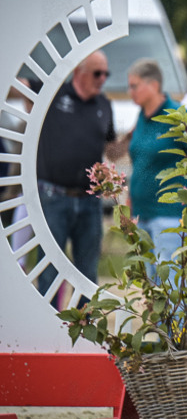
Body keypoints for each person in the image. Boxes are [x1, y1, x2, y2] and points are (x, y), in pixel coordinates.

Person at [36, 50, 117, 307]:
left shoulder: (104, 104)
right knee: (49, 269)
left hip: (89, 201)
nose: (102, 78)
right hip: (53, 197)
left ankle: (84, 336)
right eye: (97, 73)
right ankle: (46, 333)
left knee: (87, 272)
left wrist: (129, 142)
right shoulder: (53, 93)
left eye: (106, 73)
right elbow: (21, 88)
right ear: (78, 72)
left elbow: (111, 148)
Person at [125, 59, 187, 284]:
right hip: (142, 217)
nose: (129, 91)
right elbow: (140, 162)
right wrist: (129, 202)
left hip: (169, 217)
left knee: (171, 289)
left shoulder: (177, 115)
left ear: (153, 85)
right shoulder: (142, 117)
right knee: (152, 291)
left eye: (134, 86)